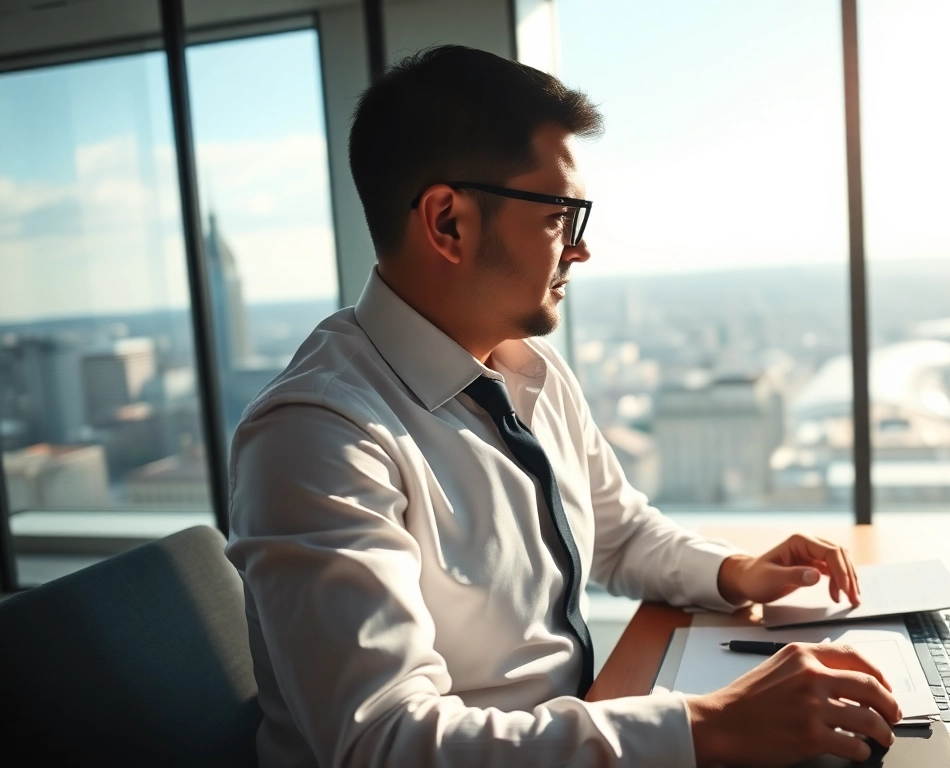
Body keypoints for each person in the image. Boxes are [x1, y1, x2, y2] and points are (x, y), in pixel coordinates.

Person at [226, 44, 901, 768]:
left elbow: (615, 533)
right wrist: (709, 728)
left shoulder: (526, 365)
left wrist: (735, 572)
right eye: (560, 216)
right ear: (447, 222)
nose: (580, 251)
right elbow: (386, 743)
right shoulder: (319, 437)